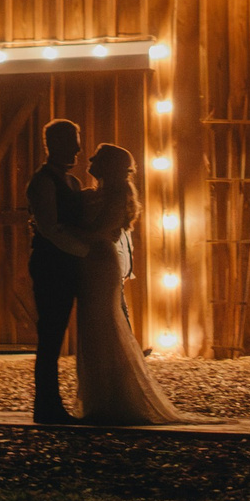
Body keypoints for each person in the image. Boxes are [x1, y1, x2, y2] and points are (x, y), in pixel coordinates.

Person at [69, 142, 188, 424]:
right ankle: (99, 397)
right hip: (91, 261)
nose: (90, 159)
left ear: (109, 165)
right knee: (93, 328)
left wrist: (61, 230)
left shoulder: (117, 196)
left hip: (101, 262)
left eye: (98, 157)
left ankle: (115, 398)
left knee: (103, 326)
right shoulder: (96, 194)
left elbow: (98, 231)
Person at [25, 117, 90, 424]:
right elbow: (50, 228)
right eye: (72, 145)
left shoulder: (72, 183)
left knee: (58, 334)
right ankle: (46, 405)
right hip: (51, 264)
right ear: (53, 145)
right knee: (50, 335)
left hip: (69, 263)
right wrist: (86, 251)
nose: (77, 151)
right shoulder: (42, 182)